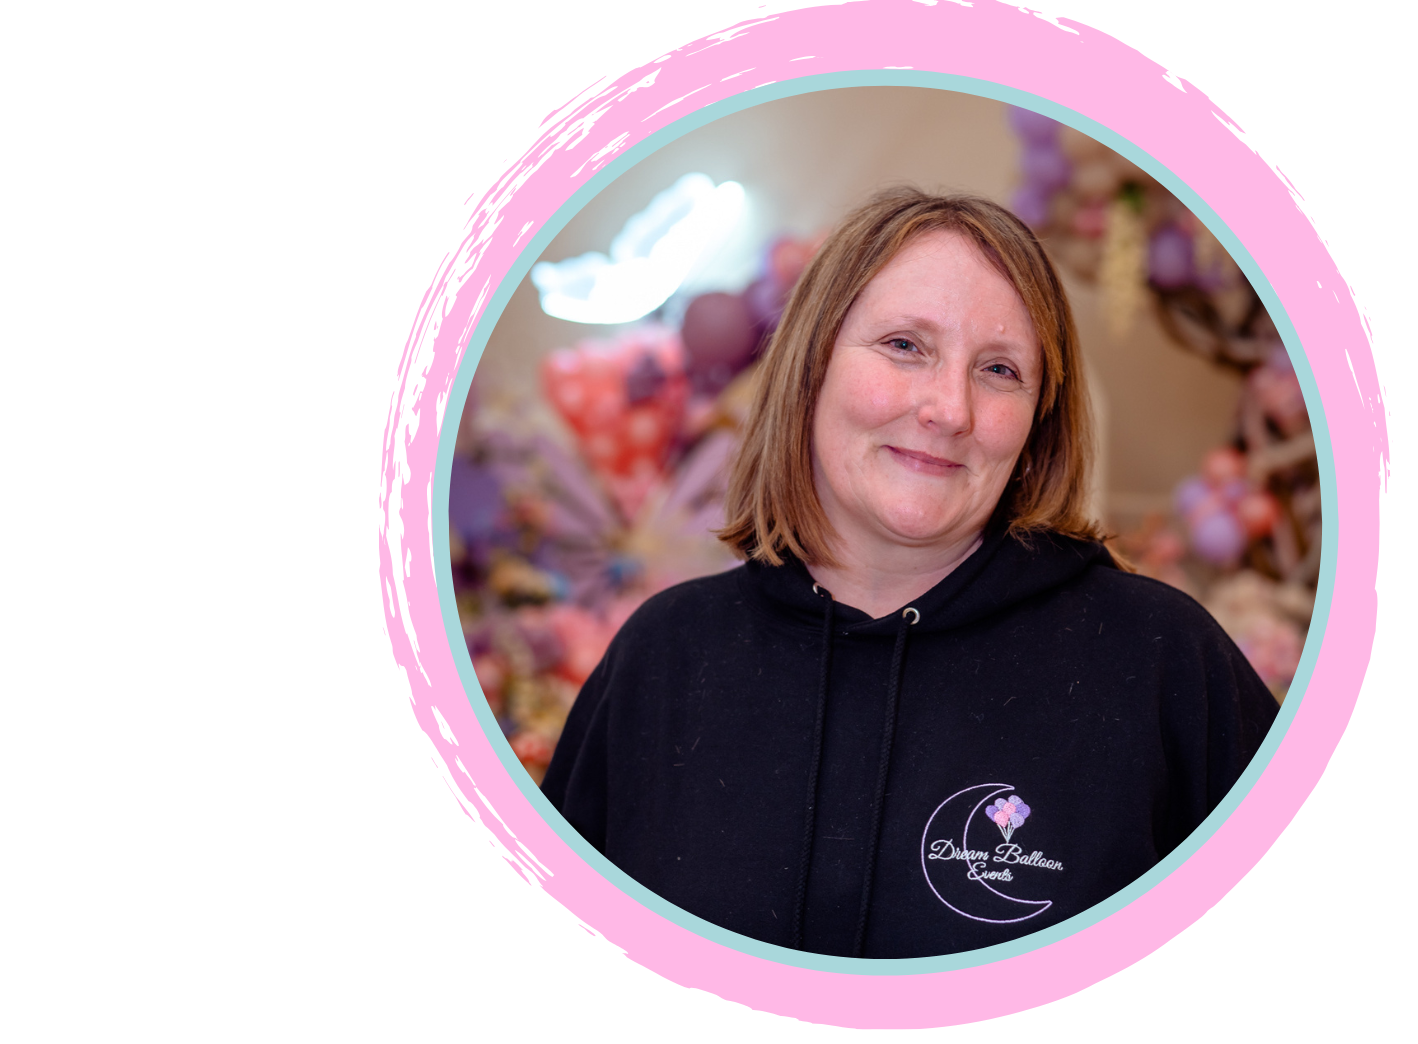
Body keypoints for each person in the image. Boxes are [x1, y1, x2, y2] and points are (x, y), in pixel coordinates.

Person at [541, 188, 1280, 959]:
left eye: (1000, 369)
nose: (949, 409)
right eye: (904, 345)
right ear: (812, 366)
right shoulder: (665, 655)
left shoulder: (1161, 659)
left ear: (1036, 424)